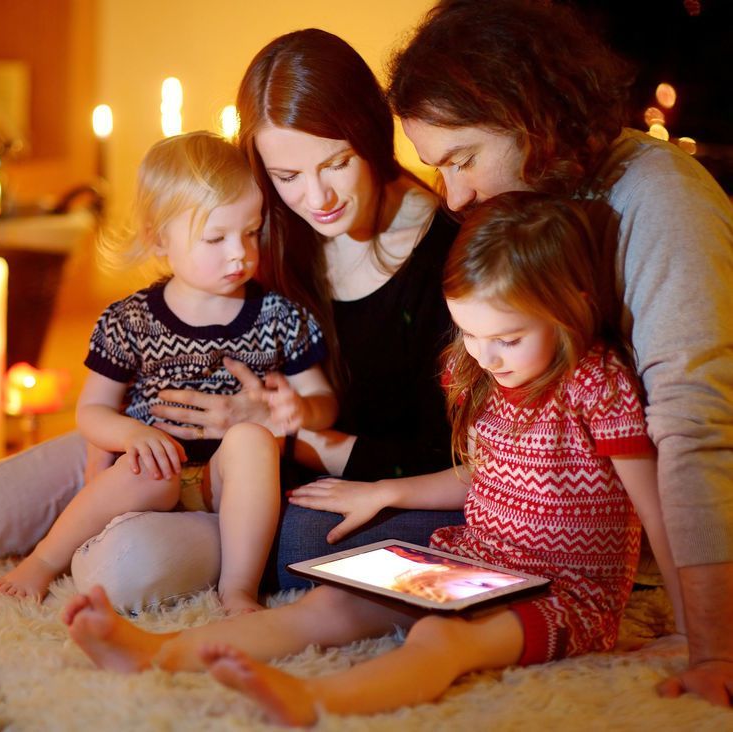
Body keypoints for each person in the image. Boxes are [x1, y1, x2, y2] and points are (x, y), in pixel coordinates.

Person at [62, 191, 685, 726]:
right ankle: (157, 653)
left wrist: (694, 635)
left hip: (566, 593)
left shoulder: (596, 385)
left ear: (568, 304)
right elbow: (483, 474)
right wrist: (385, 492)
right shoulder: (491, 375)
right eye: (470, 333)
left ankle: (315, 698)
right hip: (479, 561)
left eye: (508, 338)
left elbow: (660, 513)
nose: (488, 355)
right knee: (330, 600)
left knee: (440, 638)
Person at [0, 28, 464, 607]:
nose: (316, 198)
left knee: (120, 568)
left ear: (373, 135)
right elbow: (178, 292)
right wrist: (110, 439)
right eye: (286, 177)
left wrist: (288, 430)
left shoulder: (445, 261)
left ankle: (120, 545)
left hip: (260, 481)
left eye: (336, 163)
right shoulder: (262, 219)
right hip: (154, 450)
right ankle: (76, 528)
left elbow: (440, 459)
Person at [386, 0, 733, 707]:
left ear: (529, 116)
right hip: (551, 521)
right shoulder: (540, 198)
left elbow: (695, 428)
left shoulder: (661, 198)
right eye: (437, 167)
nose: (454, 195)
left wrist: (715, 646)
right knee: (321, 540)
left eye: (463, 159)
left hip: (640, 525)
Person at [0, 131, 336, 612]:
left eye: (251, 231)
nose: (239, 252)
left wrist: (301, 408)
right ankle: (44, 559)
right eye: (215, 238)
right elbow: (92, 410)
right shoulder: (130, 319)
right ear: (159, 238)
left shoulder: (279, 316)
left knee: (253, 440)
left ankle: (238, 589)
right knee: (146, 469)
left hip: (229, 483)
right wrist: (132, 434)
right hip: (152, 476)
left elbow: (324, 403)